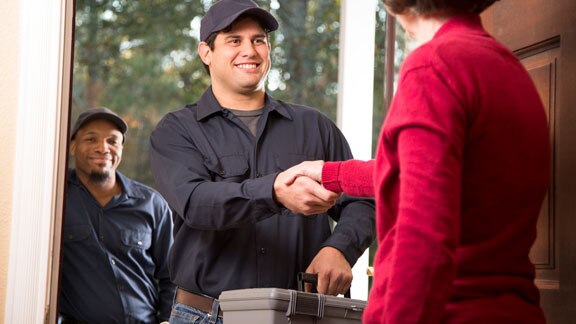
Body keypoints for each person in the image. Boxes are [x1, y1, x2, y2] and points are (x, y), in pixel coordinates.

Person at [284, 0, 550, 323]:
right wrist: (331, 174)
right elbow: (429, 172)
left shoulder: (433, 67)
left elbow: (424, 243)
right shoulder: (510, 70)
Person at [149, 0, 375, 323]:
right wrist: (274, 192)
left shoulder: (314, 127)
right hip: (206, 316)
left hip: (300, 315)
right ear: (206, 53)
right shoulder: (176, 132)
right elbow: (195, 202)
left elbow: (362, 198)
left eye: (258, 40)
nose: (249, 51)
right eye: (234, 40)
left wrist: (340, 248)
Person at [59, 107, 175, 324]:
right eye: (91, 139)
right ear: (73, 146)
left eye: (112, 141)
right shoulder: (55, 197)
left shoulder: (152, 203)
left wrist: (167, 320)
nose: (103, 148)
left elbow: (172, 275)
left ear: (121, 148)